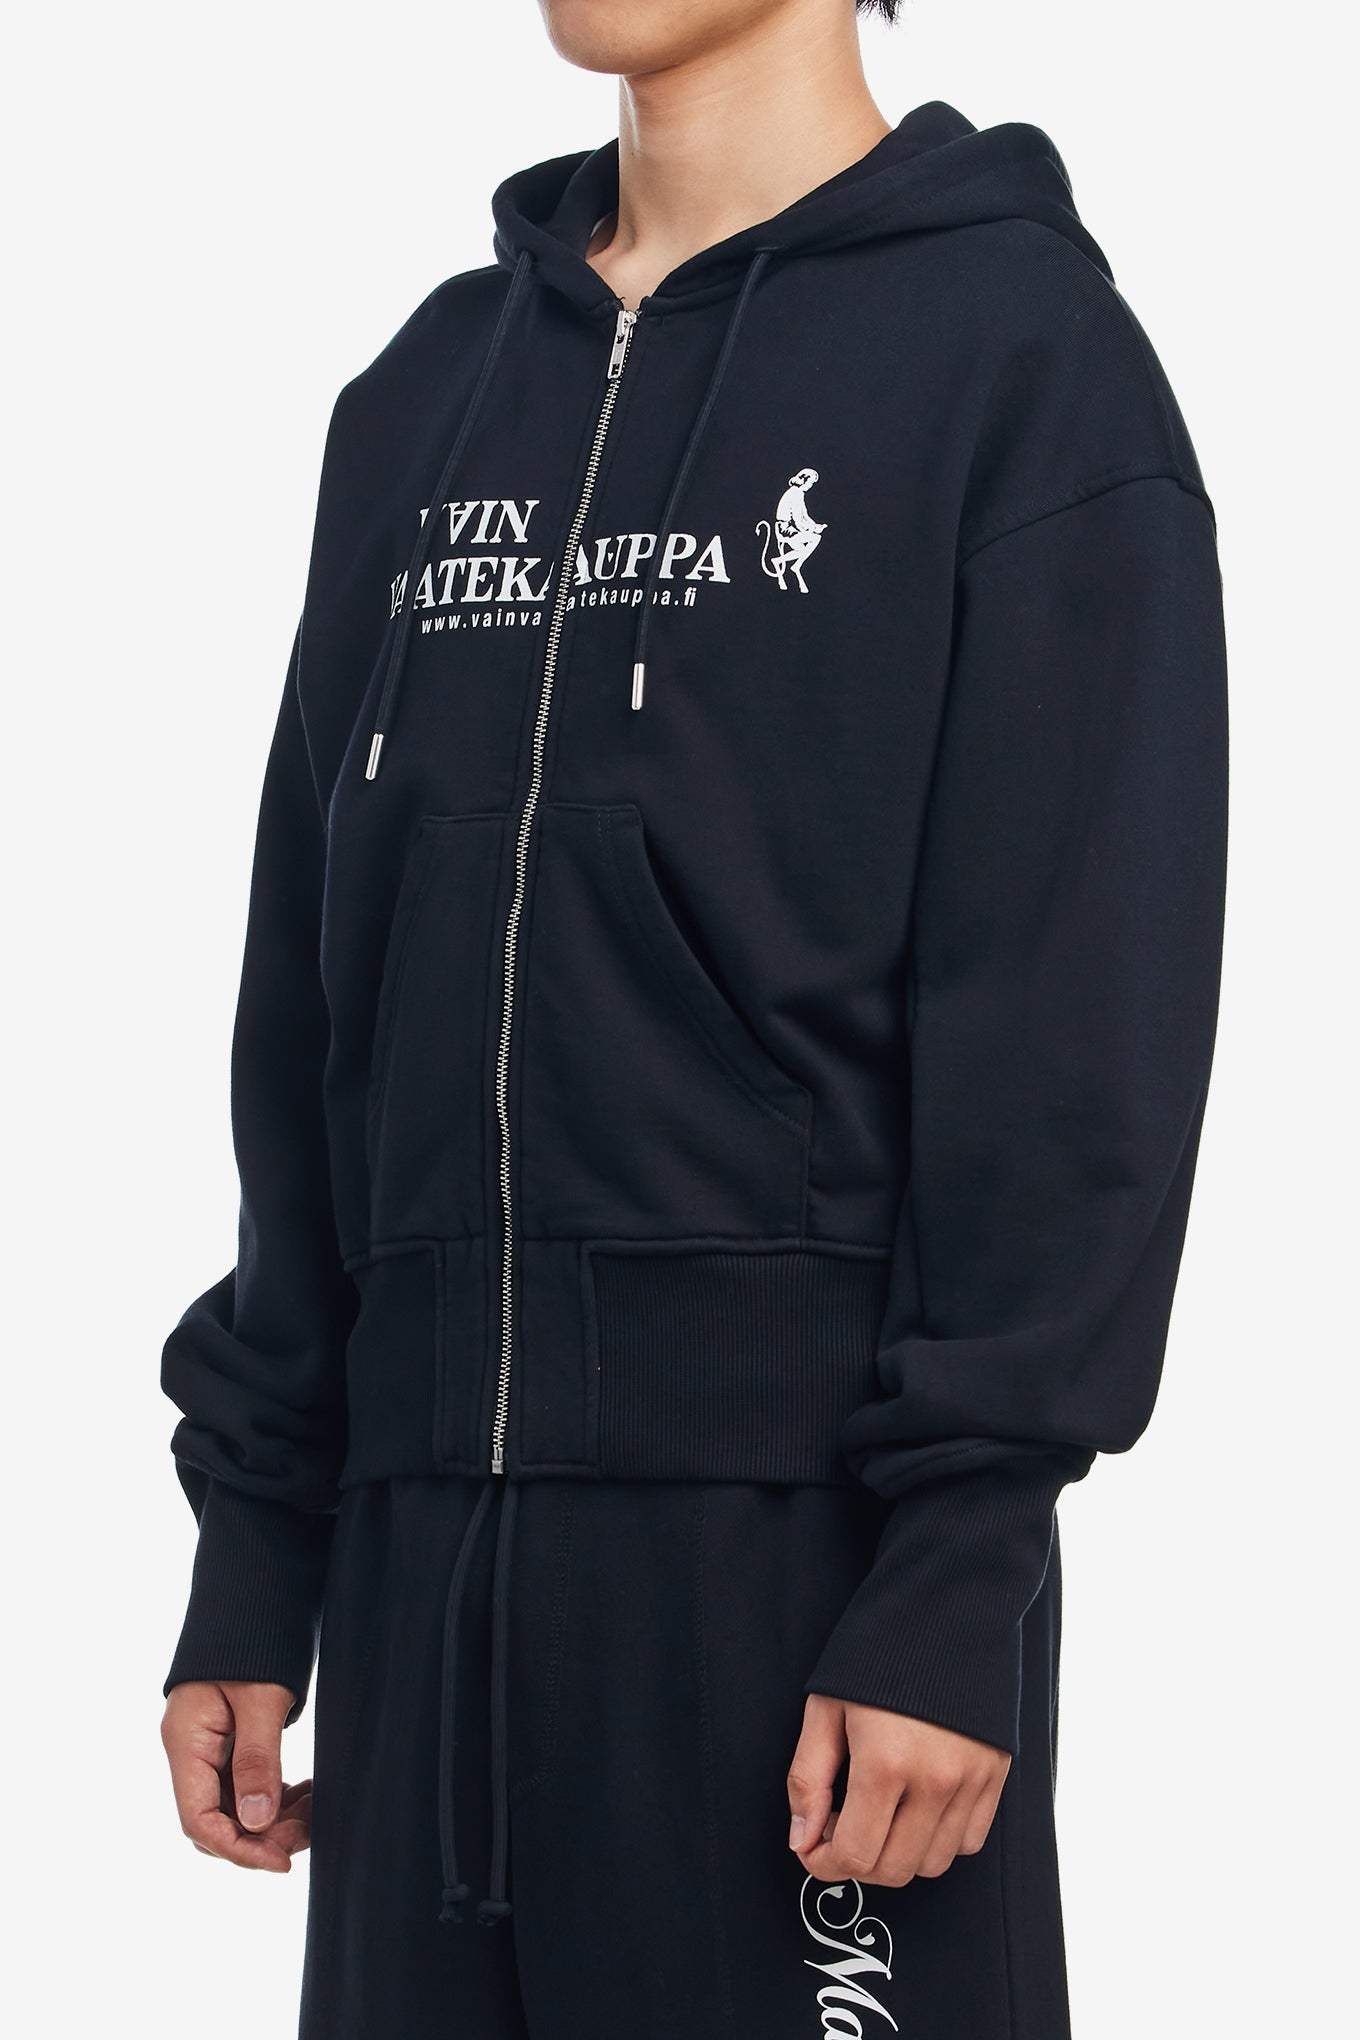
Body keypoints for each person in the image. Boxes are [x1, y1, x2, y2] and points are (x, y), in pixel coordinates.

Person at [158, 1, 1229, 2033]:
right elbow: (311, 999)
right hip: (413, 1591)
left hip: (802, 1596)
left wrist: (958, 1564)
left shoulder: (1018, 362)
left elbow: (1076, 1009)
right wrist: (262, 1536)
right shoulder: (424, 395)